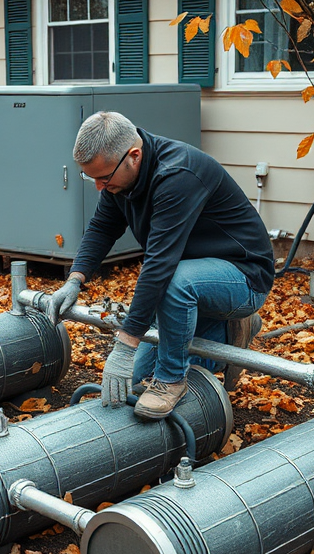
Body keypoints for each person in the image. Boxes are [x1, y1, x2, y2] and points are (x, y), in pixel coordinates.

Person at [47, 111, 275, 420]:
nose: (99, 187)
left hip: (243, 277)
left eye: (104, 177)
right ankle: (226, 330)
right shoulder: (120, 181)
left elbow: (159, 264)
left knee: (175, 283)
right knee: (139, 379)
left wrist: (126, 344)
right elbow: (101, 229)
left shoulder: (178, 174)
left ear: (134, 156)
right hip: (190, 278)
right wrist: (75, 280)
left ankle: (171, 381)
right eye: (92, 178)